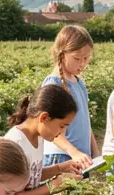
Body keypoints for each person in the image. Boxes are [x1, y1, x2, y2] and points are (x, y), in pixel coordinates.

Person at [3, 84, 84, 195]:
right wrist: (53, 186)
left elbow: (31, 176)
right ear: (44, 118)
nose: (63, 132)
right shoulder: (16, 144)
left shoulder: (38, 137)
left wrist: (60, 168)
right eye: (62, 126)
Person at [42, 25, 98, 170]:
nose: (82, 63)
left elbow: (86, 121)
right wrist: (74, 152)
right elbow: (48, 128)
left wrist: (95, 152)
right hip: (61, 157)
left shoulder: (79, 83)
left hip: (80, 156)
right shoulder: (54, 83)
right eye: (77, 58)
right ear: (62, 54)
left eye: (86, 58)